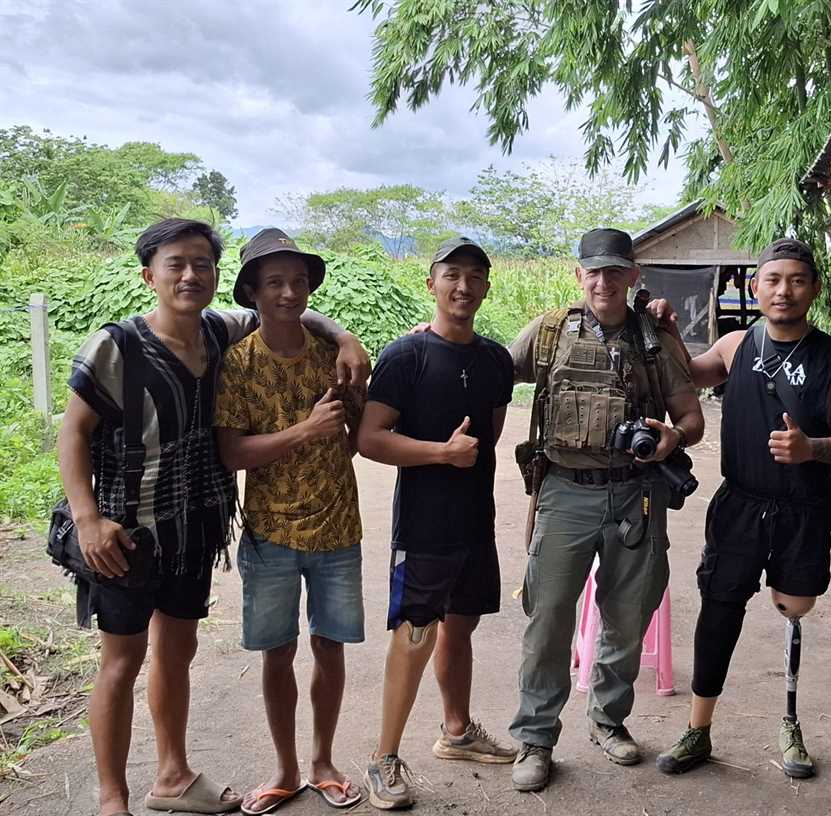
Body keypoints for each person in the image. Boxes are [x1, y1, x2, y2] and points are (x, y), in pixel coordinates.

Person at [57, 218, 369, 816]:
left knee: (176, 652)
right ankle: (111, 798)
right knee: (120, 662)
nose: (191, 275)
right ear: (150, 274)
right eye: (177, 264)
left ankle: (172, 777)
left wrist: (347, 336)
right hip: (126, 532)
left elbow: (293, 309)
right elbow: (73, 429)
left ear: (218, 277)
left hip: (196, 525)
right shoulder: (116, 344)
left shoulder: (219, 331)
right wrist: (88, 517)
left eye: (202, 263)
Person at [646, 238, 831, 778]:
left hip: (803, 508)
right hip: (740, 504)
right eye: (773, 279)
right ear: (755, 287)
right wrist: (668, 329)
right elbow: (692, 374)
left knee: (794, 610)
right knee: (718, 609)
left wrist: (812, 449)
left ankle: (790, 723)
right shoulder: (735, 345)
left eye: (797, 279)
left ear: (814, 288)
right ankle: (697, 730)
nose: (784, 290)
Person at [505, 228, 705, 792]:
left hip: (636, 493)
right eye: (593, 271)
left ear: (632, 277)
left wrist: (671, 438)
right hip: (565, 491)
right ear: (578, 275)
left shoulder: (654, 340)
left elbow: (693, 419)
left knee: (628, 614)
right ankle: (536, 737)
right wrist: (437, 339)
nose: (602, 281)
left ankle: (608, 720)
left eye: (615, 271)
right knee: (547, 618)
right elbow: (487, 368)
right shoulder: (548, 333)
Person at [356, 237, 518, 810]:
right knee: (415, 632)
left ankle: (456, 732)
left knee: (461, 627)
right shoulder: (406, 356)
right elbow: (369, 438)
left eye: (475, 276)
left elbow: (493, 432)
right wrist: (439, 454)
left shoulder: (496, 359)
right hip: (423, 525)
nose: (463, 286)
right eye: (452, 274)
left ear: (486, 287)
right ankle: (383, 758)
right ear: (431, 284)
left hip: (475, 522)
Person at [213, 228, 366, 814]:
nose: (288, 292)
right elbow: (231, 453)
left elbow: (354, 436)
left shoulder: (334, 355)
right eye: (274, 282)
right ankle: (284, 769)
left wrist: (325, 451)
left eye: (298, 281)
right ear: (252, 291)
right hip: (268, 533)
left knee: (330, 647)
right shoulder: (238, 364)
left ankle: (324, 761)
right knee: (276, 652)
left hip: (337, 530)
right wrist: (304, 432)